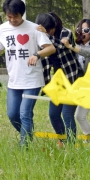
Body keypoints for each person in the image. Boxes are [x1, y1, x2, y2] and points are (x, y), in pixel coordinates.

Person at [0, 0, 55, 147]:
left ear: (22, 14)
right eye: (9, 16)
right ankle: (26, 133)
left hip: (32, 79)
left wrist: (37, 54)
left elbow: (51, 48)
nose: (12, 20)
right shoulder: (3, 29)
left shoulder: (34, 28)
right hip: (14, 79)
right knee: (12, 114)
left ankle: (24, 146)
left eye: (15, 16)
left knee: (25, 114)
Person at [35, 12, 83, 144]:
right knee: (53, 114)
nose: (49, 32)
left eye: (50, 30)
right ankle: (62, 139)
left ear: (54, 26)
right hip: (57, 82)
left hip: (72, 79)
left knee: (67, 114)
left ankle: (71, 144)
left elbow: (62, 46)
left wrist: (46, 35)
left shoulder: (65, 33)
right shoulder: (40, 36)